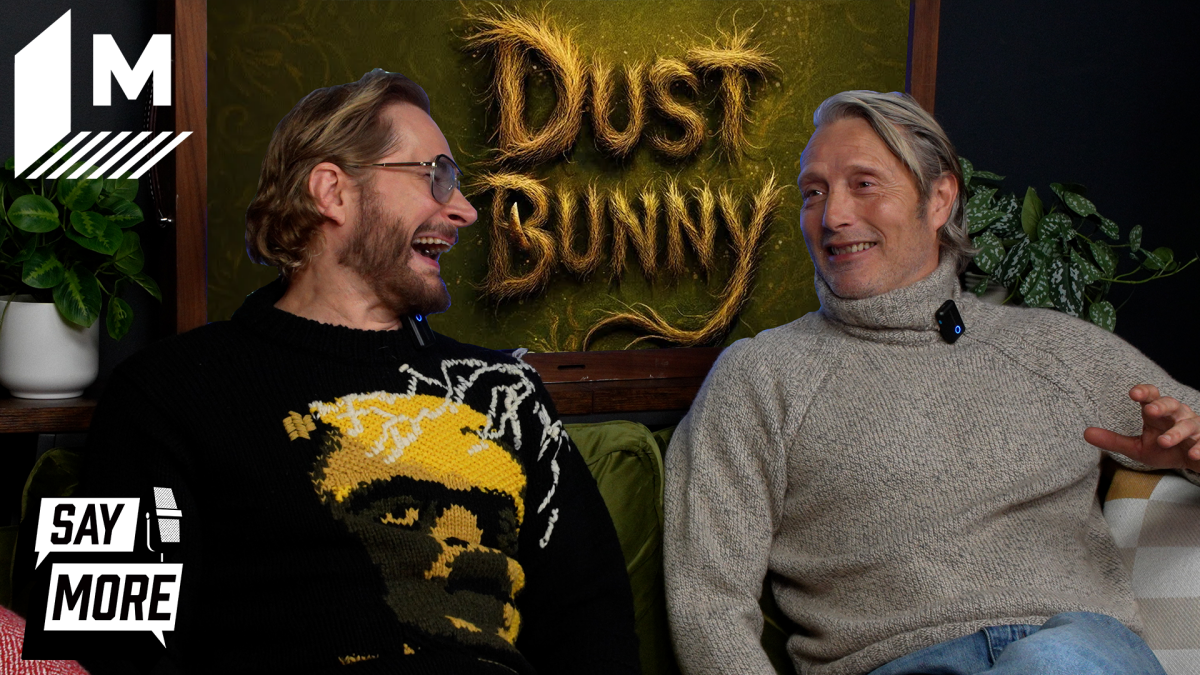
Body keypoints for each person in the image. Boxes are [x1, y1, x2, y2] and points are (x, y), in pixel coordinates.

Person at [61, 69, 640, 674]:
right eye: (435, 176)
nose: (465, 211)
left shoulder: (507, 395)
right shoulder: (161, 392)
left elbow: (595, 631)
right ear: (332, 191)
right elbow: (101, 641)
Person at [663, 90, 1199, 675]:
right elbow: (707, 600)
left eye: (864, 184)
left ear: (939, 198)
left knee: (1054, 660)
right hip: (897, 665)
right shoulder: (761, 375)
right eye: (813, 192)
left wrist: (1190, 452)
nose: (833, 216)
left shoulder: (1054, 348)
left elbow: (1189, 424)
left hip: (1075, 654)